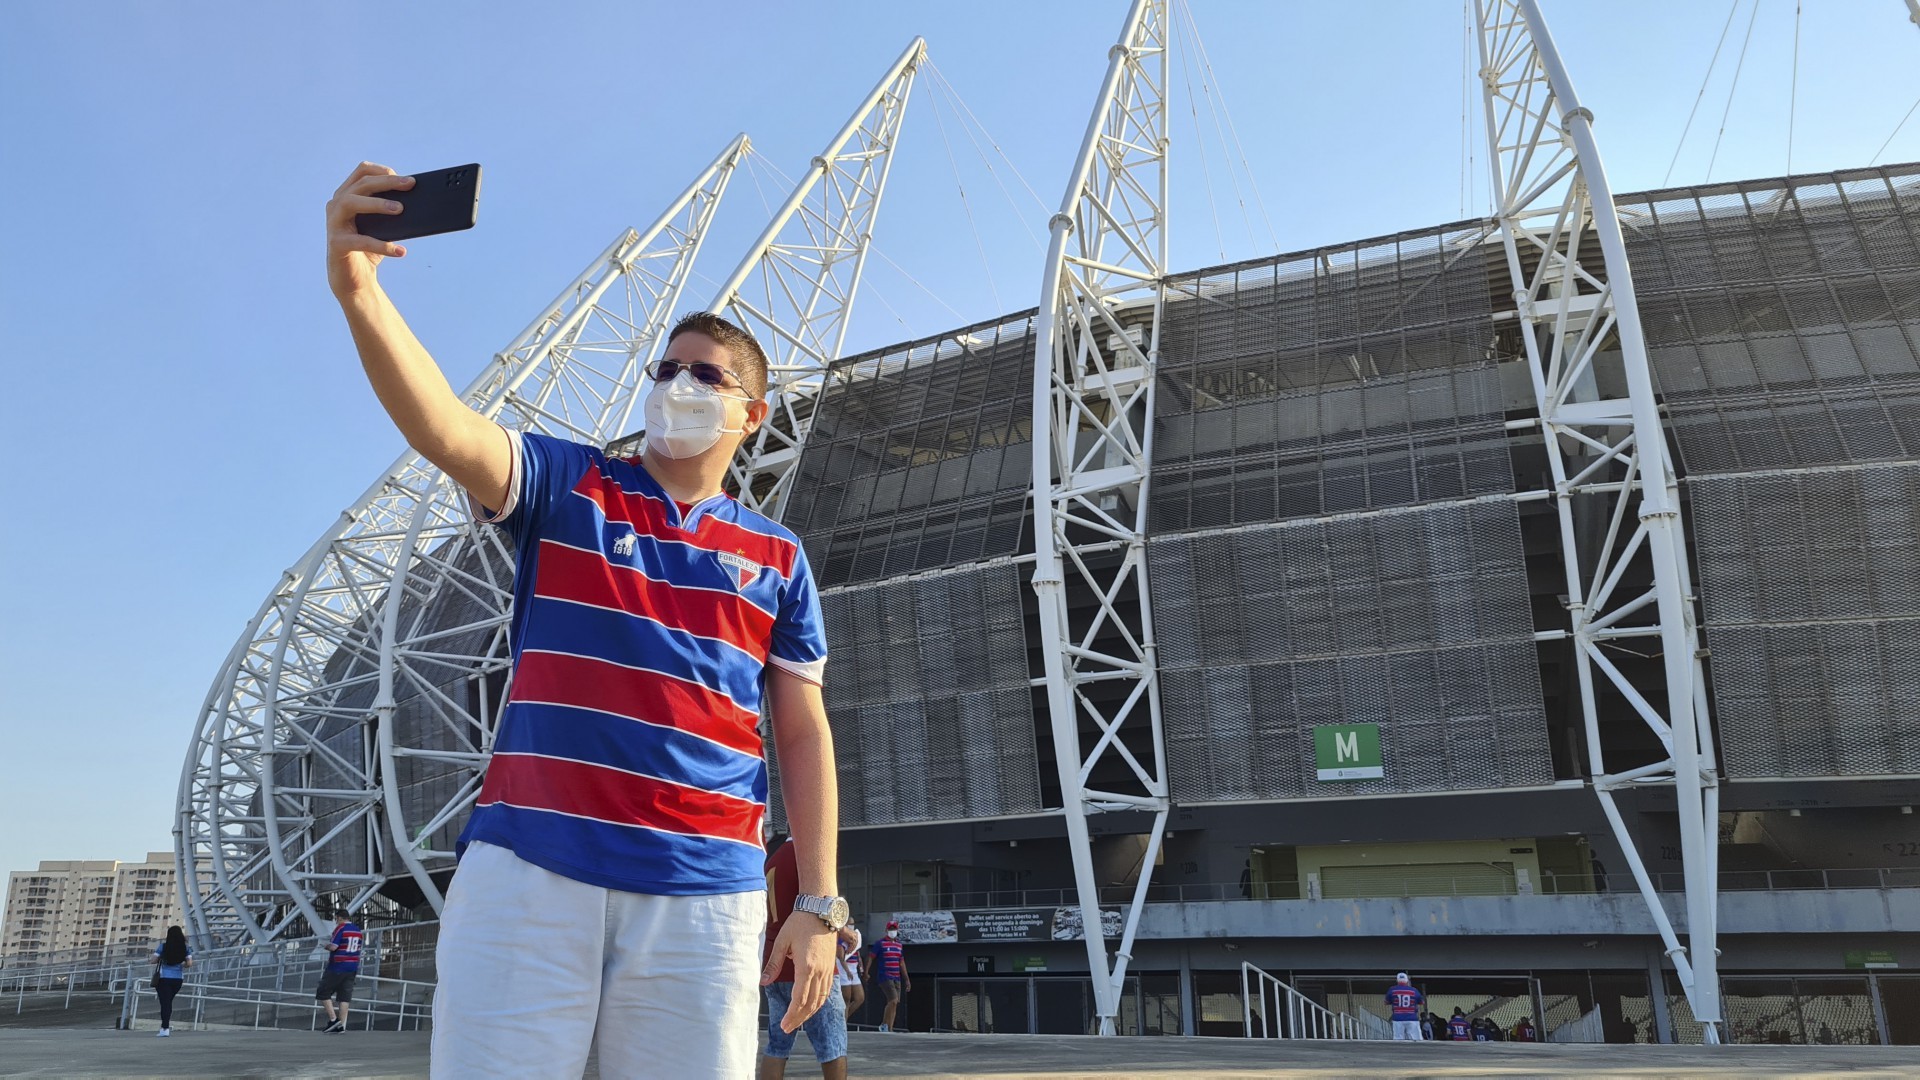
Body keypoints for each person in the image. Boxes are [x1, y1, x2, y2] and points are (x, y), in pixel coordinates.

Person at [326, 162, 843, 1078]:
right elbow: (445, 427)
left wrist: (820, 903)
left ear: (751, 412)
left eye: (706, 374)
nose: (678, 383)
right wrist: (359, 290)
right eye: (666, 369)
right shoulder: (572, 486)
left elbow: (801, 734)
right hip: (530, 873)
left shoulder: (779, 556)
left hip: (705, 894)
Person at [760, 833, 847, 1079]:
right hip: (809, 961)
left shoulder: (772, 860)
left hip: (775, 963)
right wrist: (842, 927)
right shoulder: (808, 857)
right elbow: (822, 905)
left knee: (777, 1045)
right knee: (833, 1046)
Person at [315, 911, 362, 1033]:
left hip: (337, 966)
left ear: (340, 918)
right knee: (344, 997)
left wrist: (324, 945)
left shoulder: (340, 928)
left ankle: (333, 1020)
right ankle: (341, 1026)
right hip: (352, 967)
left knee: (323, 991)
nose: (336, 922)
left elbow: (334, 947)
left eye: (336, 919)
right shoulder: (357, 930)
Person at [149, 926, 192, 1037]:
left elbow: (153, 960)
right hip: (178, 979)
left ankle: (165, 1028)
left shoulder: (163, 947)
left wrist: (160, 958)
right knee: (168, 1003)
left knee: (165, 1003)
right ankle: (165, 1027)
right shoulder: (185, 948)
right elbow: (189, 963)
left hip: (164, 979)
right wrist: (181, 964)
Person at [869, 921, 910, 1032]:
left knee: (894, 1003)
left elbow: (902, 963)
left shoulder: (899, 945)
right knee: (893, 1000)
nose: (892, 931)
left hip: (897, 977)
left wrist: (907, 979)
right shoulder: (880, 943)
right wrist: (866, 971)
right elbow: (871, 957)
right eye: (890, 929)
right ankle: (883, 1024)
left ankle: (889, 1028)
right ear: (886, 930)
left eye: (894, 929)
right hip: (885, 975)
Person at [836, 922, 865, 1021]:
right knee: (846, 999)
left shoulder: (855, 938)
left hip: (854, 969)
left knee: (860, 998)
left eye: (853, 923)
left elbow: (857, 953)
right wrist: (847, 971)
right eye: (849, 924)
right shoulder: (841, 939)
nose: (851, 925)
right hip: (844, 969)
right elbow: (841, 957)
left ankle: (842, 1020)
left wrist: (860, 965)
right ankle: (842, 1022)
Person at [1384, 973, 1424, 1040]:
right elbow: (1421, 1002)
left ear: (1397, 981)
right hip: (1412, 1018)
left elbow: (1386, 1002)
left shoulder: (1392, 990)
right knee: (1416, 1039)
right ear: (1407, 981)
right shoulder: (1414, 990)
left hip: (1397, 1018)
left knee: (1398, 1039)